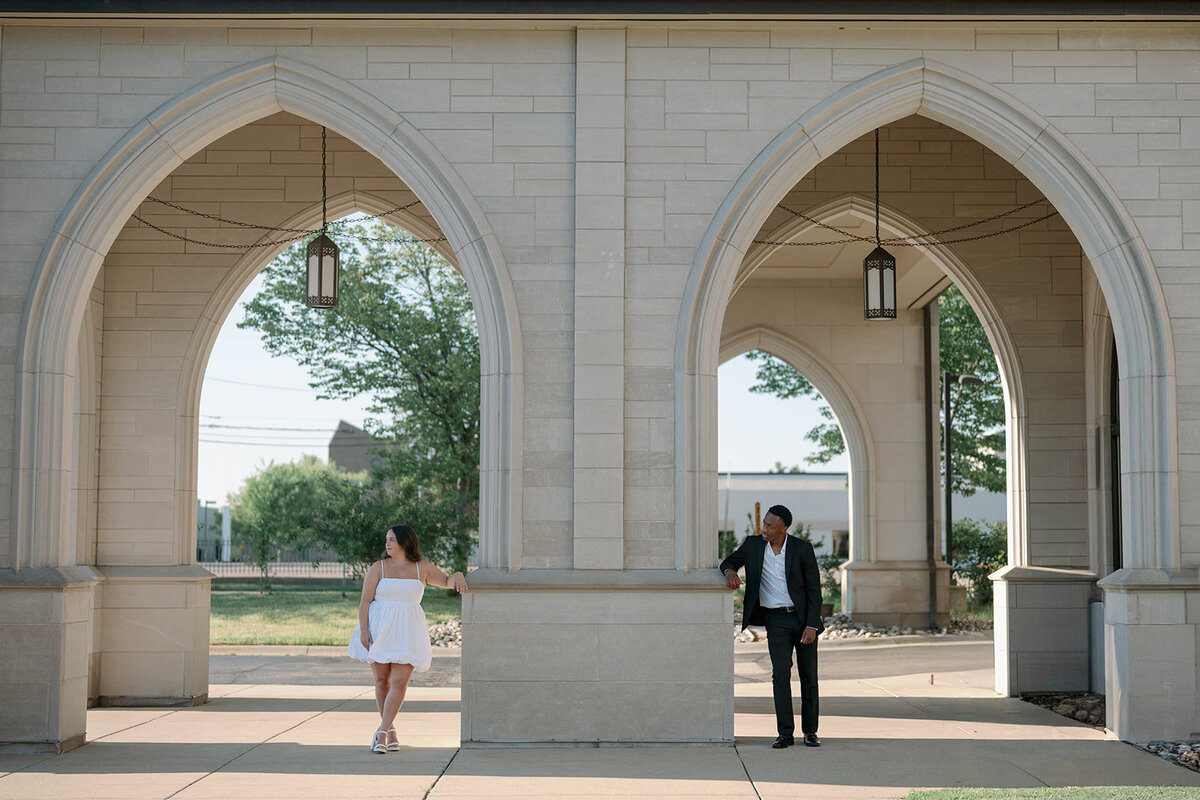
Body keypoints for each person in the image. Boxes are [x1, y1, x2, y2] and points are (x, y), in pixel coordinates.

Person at [348, 524, 468, 753]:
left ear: (404, 542)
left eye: (392, 539)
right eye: (387, 540)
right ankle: (390, 730)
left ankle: (380, 732)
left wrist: (459, 574)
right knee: (382, 681)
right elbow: (365, 601)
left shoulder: (421, 568)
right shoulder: (378, 568)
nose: (387, 544)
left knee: (400, 683)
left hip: (407, 632)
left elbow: (447, 582)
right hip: (380, 629)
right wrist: (364, 630)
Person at [719, 504, 824, 749]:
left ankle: (810, 731)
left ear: (784, 528)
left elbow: (814, 591)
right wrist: (729, 572)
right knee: (780, 674)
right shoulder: (753, 545)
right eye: (764, 523)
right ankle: (785, 733)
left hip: (802, 619)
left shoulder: (802, 549)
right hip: (775, 620)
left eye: (770, 526)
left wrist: (811, 625)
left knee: (809, 677)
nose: (764, 529)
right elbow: (729, 561)